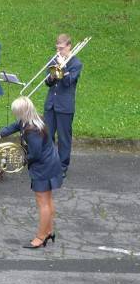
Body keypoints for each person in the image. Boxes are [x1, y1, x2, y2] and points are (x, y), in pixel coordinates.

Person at [0, 97, 63, 248]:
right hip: (50, 163)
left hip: (43, 167)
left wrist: (19, 160)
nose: (15, 115)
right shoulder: (30, 120)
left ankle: (41, 237)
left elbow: (34, 154)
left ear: (23, 111)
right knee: (48, 201)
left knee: (43, 202)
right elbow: (8, 129)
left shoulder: (32, 130)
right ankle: (49, 231)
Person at [43, 33, 83, 177]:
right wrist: (53, 73)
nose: (59, 51)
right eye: (57, 48)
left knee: (64, 138)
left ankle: (62, 167)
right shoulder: (53, 60)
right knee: (47, 136)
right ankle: (49, 163)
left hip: (65, 106)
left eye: (61, 48)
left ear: (69, 46)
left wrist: (63, 67)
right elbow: (47, 82)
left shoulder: (76, 63)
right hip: (51, 104)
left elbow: (67, 82)